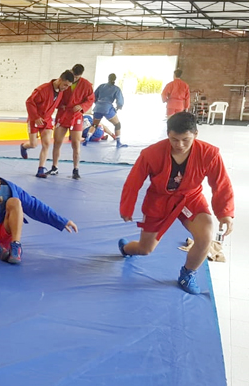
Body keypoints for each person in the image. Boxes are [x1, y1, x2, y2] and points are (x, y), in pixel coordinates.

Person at [119, 112, 234, 294]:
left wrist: (225, 213)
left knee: (205, 236)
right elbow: (133, 181)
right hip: (159, 200)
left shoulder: (209, 154)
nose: (179, 145)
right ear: (168, 135)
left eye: (185, 140)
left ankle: (187, 274)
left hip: (190, 198)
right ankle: (126, 248)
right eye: (174, 139)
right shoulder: (151, 153)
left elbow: (221, 184)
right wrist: (127, 207)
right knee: (145, 249)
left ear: (195, 134)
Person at [0, 160, 78, 264]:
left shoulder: (9, 188)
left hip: (6, 230)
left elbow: (34, 205)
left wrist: (61, 221)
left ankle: (16, 245)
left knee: (15, 202)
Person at [19, 71, 75, 178]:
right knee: (33, 144)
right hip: (35, 119)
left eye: (68, 86)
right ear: (59, 80)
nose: (66, 88)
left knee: (46, 144)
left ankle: (41, 168)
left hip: (47, 120)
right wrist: (35, 117)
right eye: (65, 85)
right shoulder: (42, 90)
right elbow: (29, 102)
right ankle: (24, 146)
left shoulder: (61, 91)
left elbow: (56, 102)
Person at [50, 64, 94, 180]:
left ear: (81, 76)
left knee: (76, 143)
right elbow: (56, 93)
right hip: (63, 113)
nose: (74, 79)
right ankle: (54, 167)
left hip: (76, 115)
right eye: (73, 75)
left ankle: (76, 169)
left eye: (77, 77)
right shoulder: (65, 79)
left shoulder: (87, 85)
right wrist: (59, 105)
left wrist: (82, 106)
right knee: (57, 141)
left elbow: (90, 99)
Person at [86, 73, 126, 148]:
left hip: (98, 107)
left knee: (94, 125)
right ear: (115, 79)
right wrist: (118, 107)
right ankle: (118, 142)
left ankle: (87, 139)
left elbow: (94, 96)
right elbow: (120, 101)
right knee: (117, 124)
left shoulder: (101, 86)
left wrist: (97, 103)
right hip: (108, 108)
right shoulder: (116, 89)